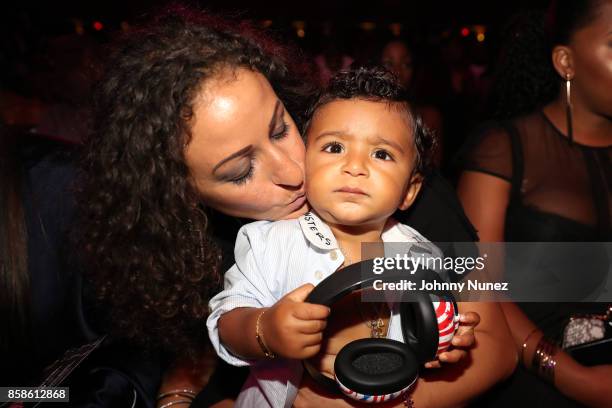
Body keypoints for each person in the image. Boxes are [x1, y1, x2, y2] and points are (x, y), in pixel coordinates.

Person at [75, 8, 505, 407]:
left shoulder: (395, 194)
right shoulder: (250, 245)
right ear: (181, 196)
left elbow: (495, 340)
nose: (292, 171)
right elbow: (204, 345)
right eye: (242, 170)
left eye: (281, 128)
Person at [206, 67, 516, 407]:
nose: (355, 166)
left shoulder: (421, 255)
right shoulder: (269, 242)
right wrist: (265, 330)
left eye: (381, 154)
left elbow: (425, 333)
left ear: (409, 192)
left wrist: (444, 340)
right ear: (304, 160)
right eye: (334, 147)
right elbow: (226, 321)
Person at [456, 1, 612, 407]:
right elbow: (479, 286)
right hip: (526, 379)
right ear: (566, 61)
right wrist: (570, 375)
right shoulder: (504, 149)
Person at [381, 39, 444, 166]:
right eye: (389, 63)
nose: (397, 71)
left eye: (406, 64)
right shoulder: (362, 113)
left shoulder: (428, 117)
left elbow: (434, 169)